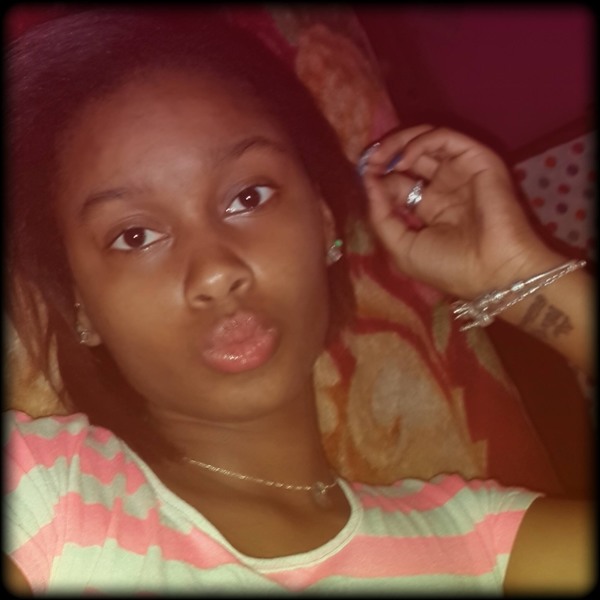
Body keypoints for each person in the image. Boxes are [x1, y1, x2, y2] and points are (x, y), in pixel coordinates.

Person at [4, 7, 594, 595]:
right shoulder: (42, 495)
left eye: (248, 197)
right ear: (81, 307)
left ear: (324, 220)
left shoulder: (479, 545)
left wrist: (522, 277)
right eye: (135, 236)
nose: (216, 272)